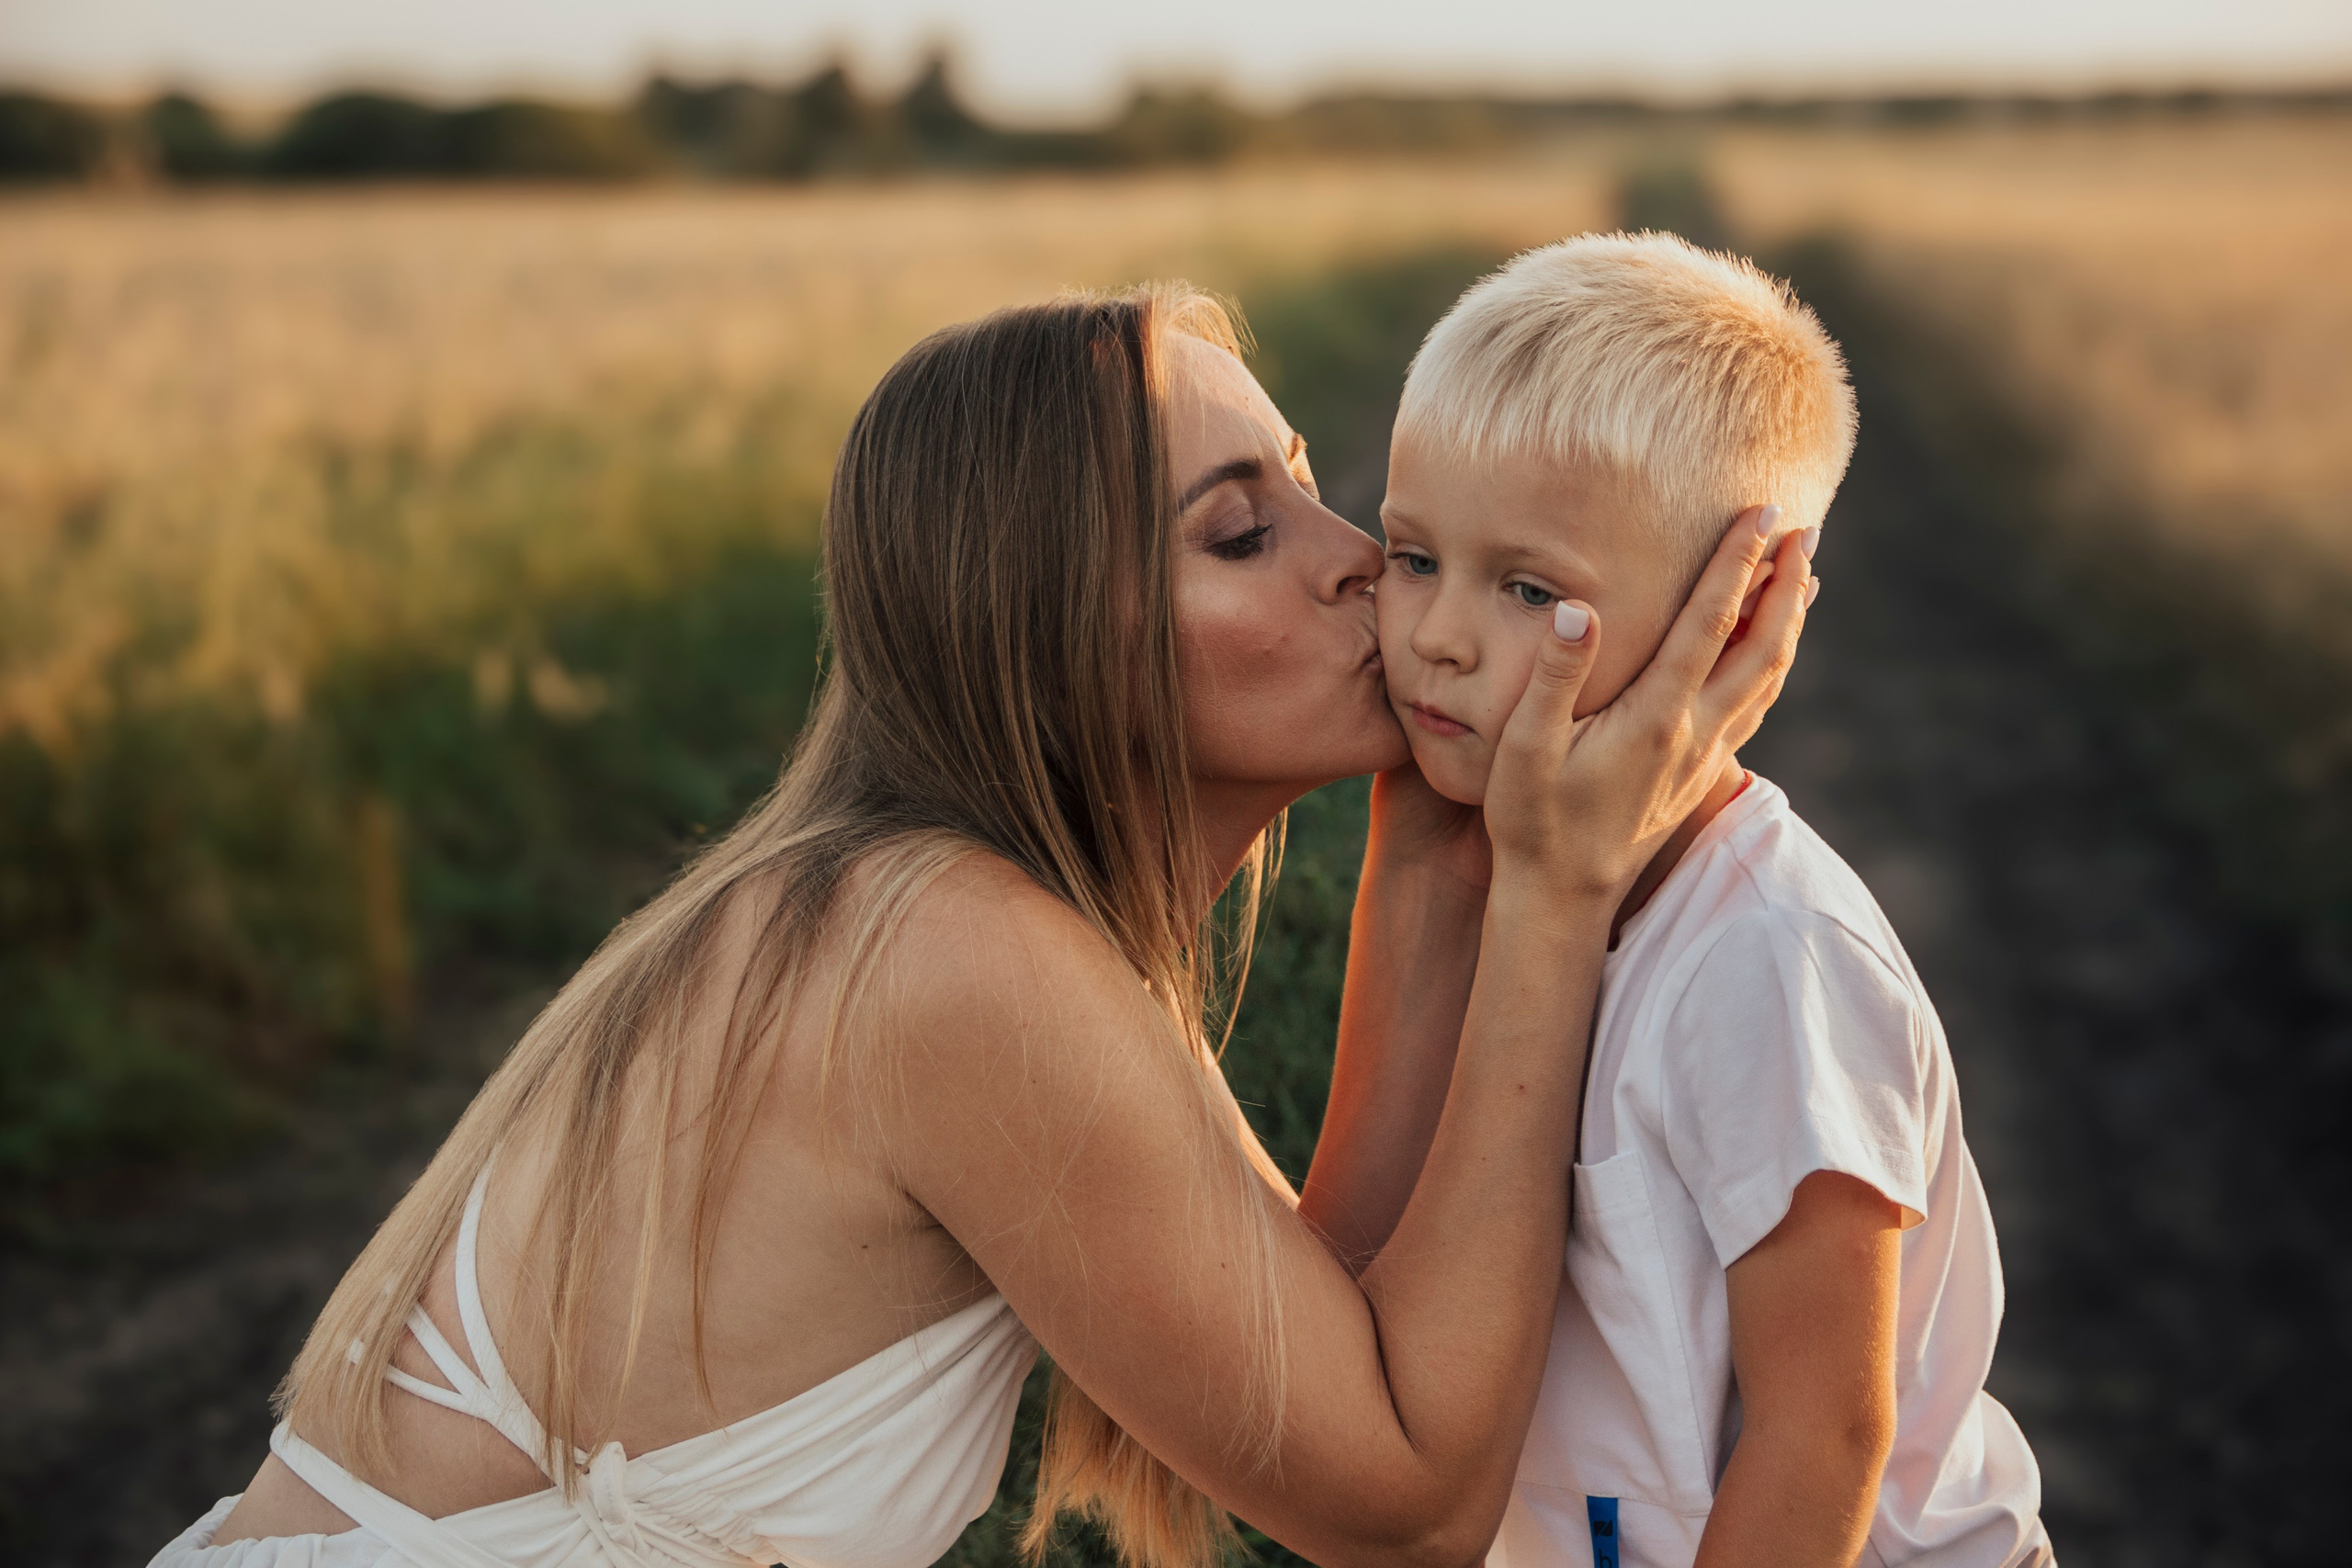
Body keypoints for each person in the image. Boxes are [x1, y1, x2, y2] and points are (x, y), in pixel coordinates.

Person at [150, 282, 1811, 1568]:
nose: (1363, 564)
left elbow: (1340, 1347)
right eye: (1242, 532)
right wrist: (1556, 891)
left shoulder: (917, 915)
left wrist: (1443, 868)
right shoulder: (943, 955)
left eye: (1314, 490)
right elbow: (1407, 1510)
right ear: (1049, 633)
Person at [1366, 232, 2051, 1568]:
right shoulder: (1516, 888)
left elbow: (1823, 1437)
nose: (1436, 636)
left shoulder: (1764, 963)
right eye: (1410, 557)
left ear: (1736, 618)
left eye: (1526, 589)